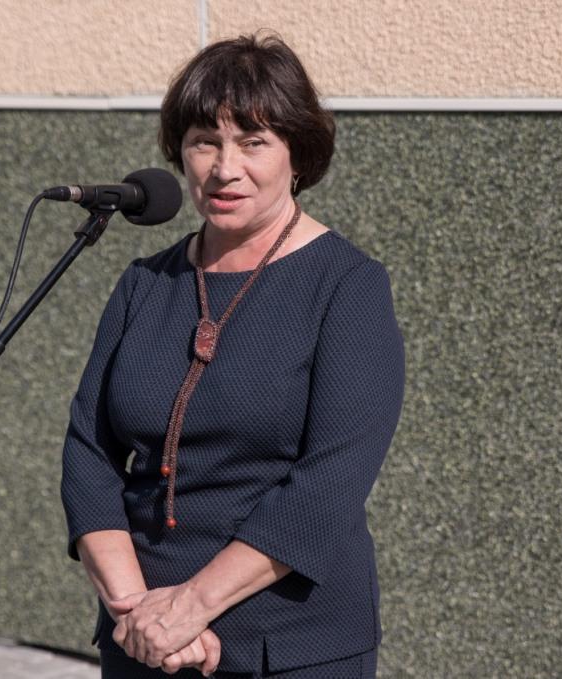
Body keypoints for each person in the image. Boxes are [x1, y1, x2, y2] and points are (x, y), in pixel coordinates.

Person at [61, 33, 404, 679]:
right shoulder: (144, 283)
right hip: (143, 638)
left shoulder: (347, 286)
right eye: (204, 141)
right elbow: (89, 452)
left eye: (253, 142)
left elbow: (329, 483)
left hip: (290, 645)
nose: (224, 168)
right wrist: (138, 611)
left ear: (297, 153)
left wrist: (189, 607)